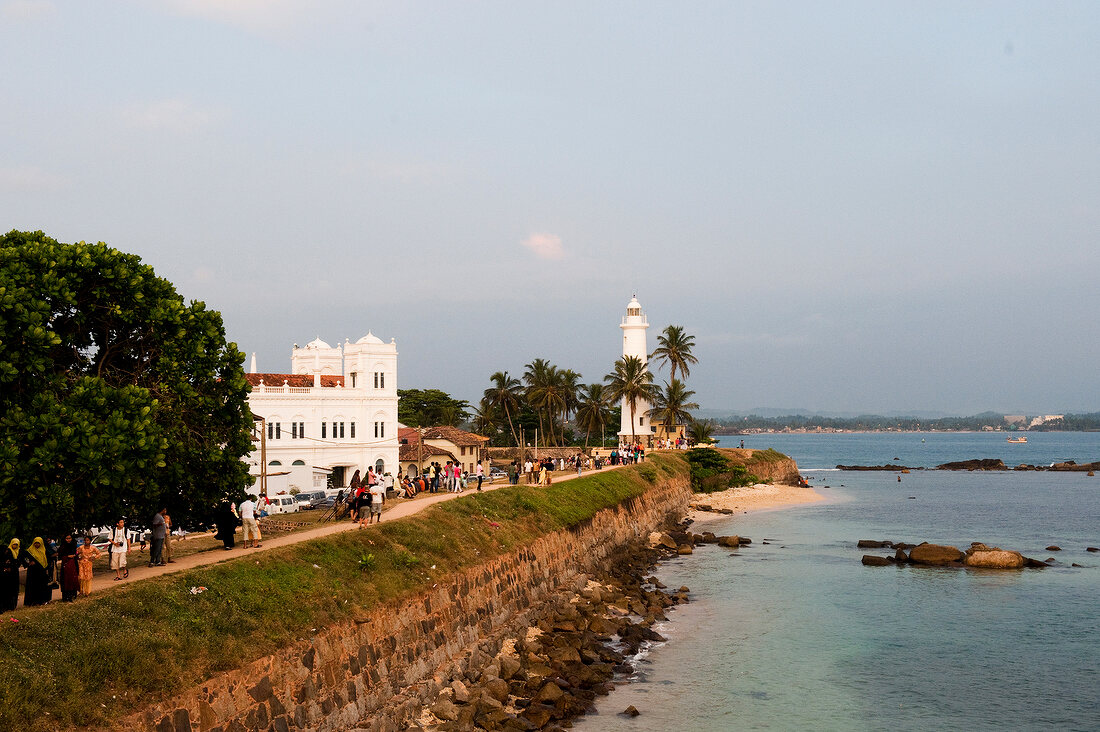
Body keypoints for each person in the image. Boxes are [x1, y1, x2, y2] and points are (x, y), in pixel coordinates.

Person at [23, 537, 51, 605]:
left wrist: (47, 568)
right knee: (32, 586)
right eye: (35, 543)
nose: (37, 545)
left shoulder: (44, 550)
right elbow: (24, 559)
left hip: (41, 571)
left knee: (42, 586)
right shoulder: (30, 551)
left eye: (38, 543)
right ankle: (32, 602)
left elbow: (48, 560)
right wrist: (28, 563)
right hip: (32, 572)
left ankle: (42, 601)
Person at [57, 534, 79, 602]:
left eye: (70, 538)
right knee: (66, 580)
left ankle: (73, 595)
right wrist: (67, 556)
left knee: (73, 579)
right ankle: (66, 597)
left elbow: (76, 555)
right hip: (66, 565)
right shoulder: (62, 547)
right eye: (67, 538)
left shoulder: (73, 545)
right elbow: (60, 556)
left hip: (74, 564)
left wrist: (75, 556)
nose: (68, 540)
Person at [2, 539, 21, 611]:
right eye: (14, 544)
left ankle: (13, 605)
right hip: (8, 574)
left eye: (16, 544)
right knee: (8, 589)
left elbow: (18, 562)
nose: (15, 546)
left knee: (15, 589)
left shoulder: (19, 551)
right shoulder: (8, 551)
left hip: (15, 572)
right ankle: (8, 606)